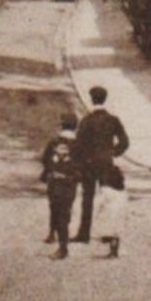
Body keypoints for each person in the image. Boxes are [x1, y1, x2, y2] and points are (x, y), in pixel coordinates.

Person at [73, 85, 130, 243]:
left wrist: (79, 163)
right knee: (109, 197)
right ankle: (109, 232)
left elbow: (78, 145)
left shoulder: (87, 121)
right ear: (105, 99)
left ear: (92, 99)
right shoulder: (113, 120)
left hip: (89, 163)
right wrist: (112, 153)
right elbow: (125, 142)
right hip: (106, 163)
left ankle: (84, 234)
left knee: (88, 198)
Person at [40, 115, 81, 259]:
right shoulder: (79, 144)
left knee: (55, 208)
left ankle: (60, 244)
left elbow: (45, 159)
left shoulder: (54, 142)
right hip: (70, 182)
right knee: (65, 211)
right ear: (76, 127)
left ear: (62, 125)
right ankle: (62, 243)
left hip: (55, 181)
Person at [92, 163, 127, 258]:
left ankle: (111, 250)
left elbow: (100, 202)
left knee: (109, 231)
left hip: (108, 214)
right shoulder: (122, 191)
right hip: (119, 213)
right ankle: (115, 251)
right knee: (116, 233)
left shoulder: (106, 190)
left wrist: (97, 212)